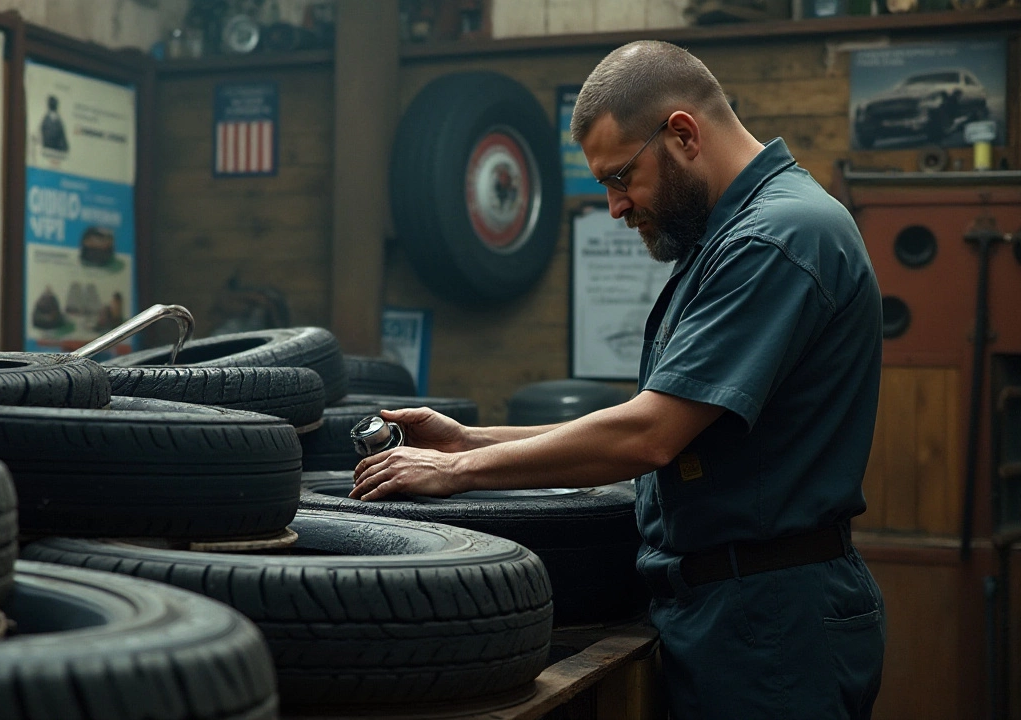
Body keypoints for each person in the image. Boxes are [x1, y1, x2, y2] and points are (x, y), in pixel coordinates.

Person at [351, 40, 885, 719]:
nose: (615, 206)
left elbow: (651, 435)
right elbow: (661, 417)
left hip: (772, 624)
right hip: (729, 608)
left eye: (619, 179)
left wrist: (461, 474)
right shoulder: (732, 239)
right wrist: (467, 439)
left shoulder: (776, 239)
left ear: (683, 134)